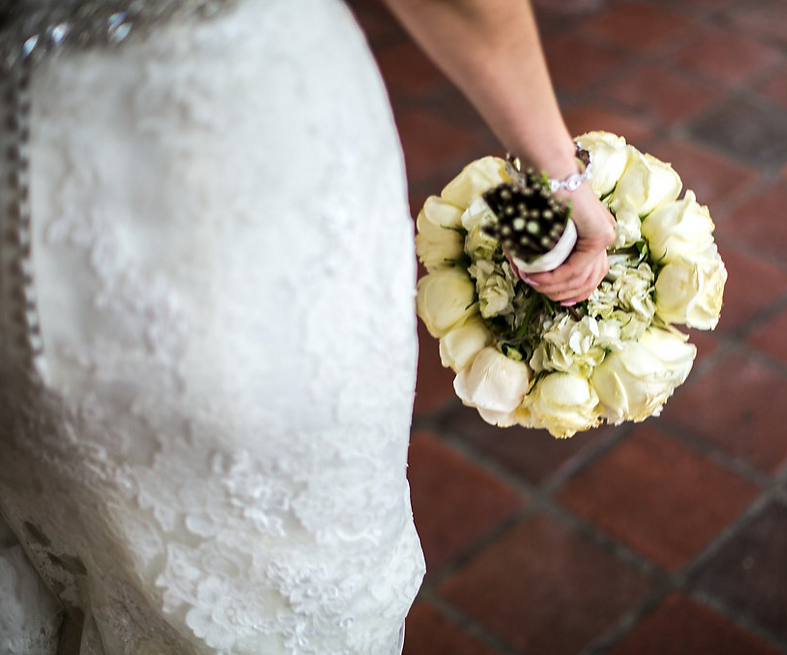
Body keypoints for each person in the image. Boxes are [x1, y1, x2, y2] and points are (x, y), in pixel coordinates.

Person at [0, 0, 615, 653]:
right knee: (285, 573)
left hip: (24, 130)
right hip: (230, 150)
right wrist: (559, 174)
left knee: (62, 524)